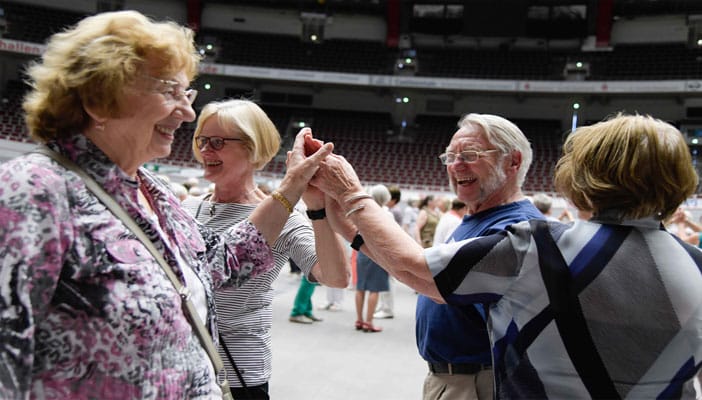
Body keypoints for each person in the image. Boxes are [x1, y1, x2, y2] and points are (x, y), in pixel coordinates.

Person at [0, 10, 332, 399]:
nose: (188, 112)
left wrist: (293, 187)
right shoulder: (34, 191)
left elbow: (219, 261)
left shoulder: (148, 188)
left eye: (186, 93)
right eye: (169, 91)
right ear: (98, 100)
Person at [311, 113, 702, 398]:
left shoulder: (539, 245)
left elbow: (416, 268)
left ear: (585, 177)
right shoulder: (695, 265)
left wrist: (349, 191)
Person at [181, 99, 349, 398]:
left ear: (253, 146)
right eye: (201, 140)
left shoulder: (282, 218)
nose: (206, 150)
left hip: (236, 375)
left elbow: (335, 277)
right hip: (183, 367)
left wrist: (318, 209)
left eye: (218, 142)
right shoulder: (188, 207)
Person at [354, 184, 392, 333]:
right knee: (374, 289)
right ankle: (369, 322)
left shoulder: (363, 211)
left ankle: (359, 319)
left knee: (360, 287)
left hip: (362, 252)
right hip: (377, 254)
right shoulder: (385, 214)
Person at [374, 185, 403, 319]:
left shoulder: (389, 213)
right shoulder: (386, 211)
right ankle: (383, 306)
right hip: (384, 248)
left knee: (388, 280)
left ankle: (387, 308)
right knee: (382, 279)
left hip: (388, 249)